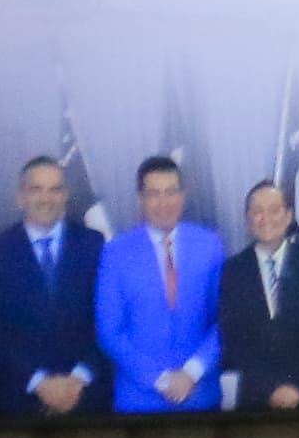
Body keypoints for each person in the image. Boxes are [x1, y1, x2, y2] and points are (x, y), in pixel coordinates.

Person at [0, 154, 108, 418]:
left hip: (87, 399)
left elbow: (107, 319)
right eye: (36, 189)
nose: (46, 198)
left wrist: (78, 378)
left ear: (65, 195)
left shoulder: (93, 244)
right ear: (20, 196)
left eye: (55, 189)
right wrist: (40, 383)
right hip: (20, 403)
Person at [92, 155, 225, 414]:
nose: (164, 203)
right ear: (140, 199)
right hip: (139, 402)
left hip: (200, 396)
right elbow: (109, 331)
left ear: (183, 196)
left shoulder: (210, 245)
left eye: (171, 192)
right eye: (153, 194)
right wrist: (161, 380)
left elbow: (225, 319)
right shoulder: (116, 252)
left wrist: (192, 372)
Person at [217, 179, 299, 411]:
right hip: (255, 399)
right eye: (258, 211)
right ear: (247, 220)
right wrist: (269, 388)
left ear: (288, 216)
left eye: (274, 210)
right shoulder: (233, 271)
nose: (266, 218)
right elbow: (233, 338)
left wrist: (297, 386)